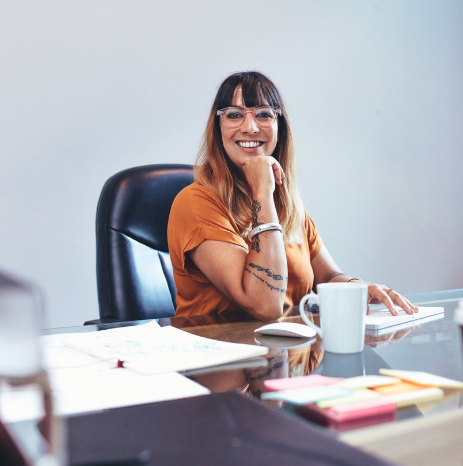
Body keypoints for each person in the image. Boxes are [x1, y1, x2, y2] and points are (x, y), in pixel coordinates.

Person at [167, 71, 418, 319]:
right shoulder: (195, 204)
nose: (251, 127)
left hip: (290, 351)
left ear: (280, 127)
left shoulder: (286, 202)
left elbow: (327, 277)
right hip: (224, 353)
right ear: (218, 127)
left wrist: (358, 287)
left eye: (264, 114)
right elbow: (265, 306)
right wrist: (262, 192)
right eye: (234, 115)